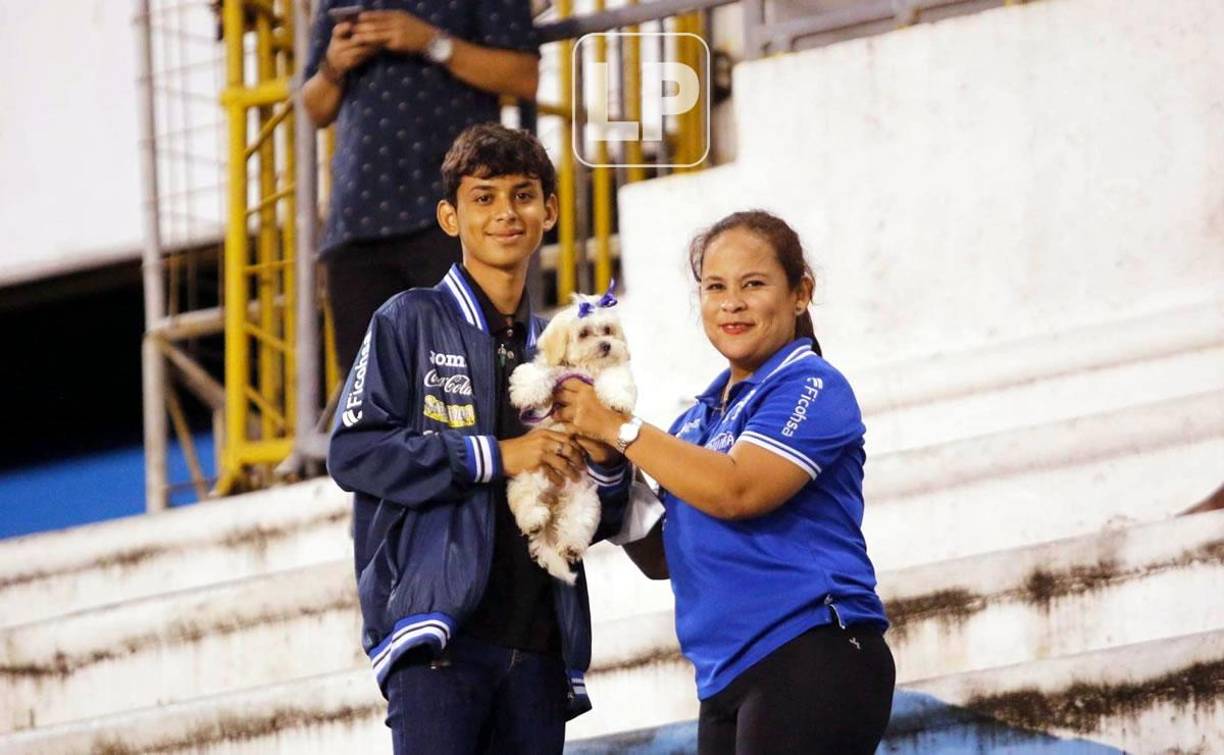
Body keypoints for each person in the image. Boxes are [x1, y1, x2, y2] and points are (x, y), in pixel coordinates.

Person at [327, 123, 630, 755]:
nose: (504, 213)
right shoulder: (406, 320)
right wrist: (498, 455)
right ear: (449, 216)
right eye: (483, 197)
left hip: (544, 648)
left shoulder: (566, 344)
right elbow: (353, 451)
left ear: (548, 210)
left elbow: (610, 513)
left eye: (522, 195)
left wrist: (606, 458)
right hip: (440, 644)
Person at [554, 210, 896, 754]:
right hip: (722, 678)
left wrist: (617, 426)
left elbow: (739, 491)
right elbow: (661, 557)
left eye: (753, 284)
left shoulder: (812, 384)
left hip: (813, 651)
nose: (731, 302)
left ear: (800, 293)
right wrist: (608, 466)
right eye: (715, 287)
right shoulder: (695, 422)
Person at [303, 0, 541, 369]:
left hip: (451, 216)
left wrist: (431, 42)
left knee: (474, 380)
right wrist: (334, 65)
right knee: (371, 398)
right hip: (355, 224)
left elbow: (523, 75)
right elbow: (314, 107)